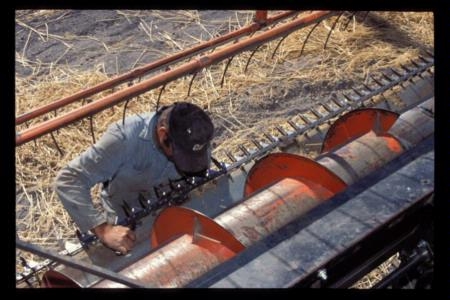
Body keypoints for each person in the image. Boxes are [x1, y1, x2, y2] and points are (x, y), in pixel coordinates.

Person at [54, 102, 214, 255]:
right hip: (129, 220)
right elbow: (69, 180)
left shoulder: (196, 133)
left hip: (179, 205)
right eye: (181, 156)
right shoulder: (124, 139)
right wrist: (104, 231)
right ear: (163, 134)